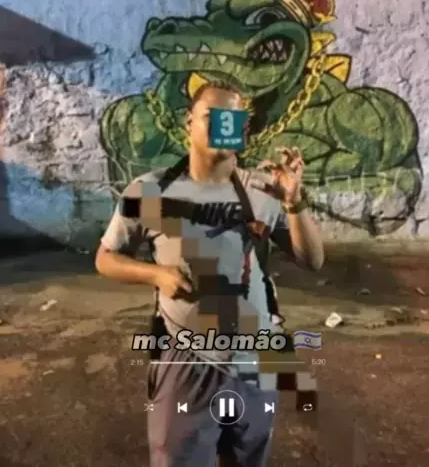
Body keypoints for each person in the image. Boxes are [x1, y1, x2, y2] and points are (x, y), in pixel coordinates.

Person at [95, 81, 324, 466]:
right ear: (190, 122)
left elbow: (312, 260)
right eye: (214, 117)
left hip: (257, 359)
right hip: (187, 359)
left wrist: (294, 202)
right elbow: (106, 258)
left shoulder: (265, 190)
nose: (224, 126)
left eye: (233, 119)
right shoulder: (151, 191)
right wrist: (156, 274)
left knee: (248, 458)